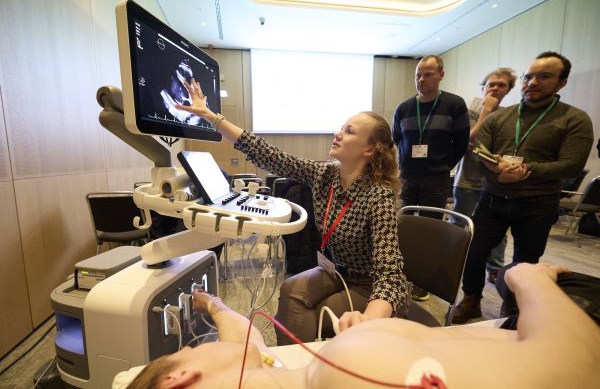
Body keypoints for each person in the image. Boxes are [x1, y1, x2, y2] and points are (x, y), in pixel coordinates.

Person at [175, 79, 409, 344]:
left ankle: (304, 363)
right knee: (290, 289)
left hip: (369, 285)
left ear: (369, 149)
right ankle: (294, 357)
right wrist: (212, 117)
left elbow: (389, 276)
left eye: (349, 131)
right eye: (341, 128)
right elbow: (270, 156)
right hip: (335, 271)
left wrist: (369, 319)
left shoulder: (378, 196)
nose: (338, 134)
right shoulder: (325, 175)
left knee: (309, 313)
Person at [125, 263, 600, 389]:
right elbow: (578, 369)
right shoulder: (349, 369)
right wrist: (527, 280)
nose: (201, 345)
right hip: (573, 325)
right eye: (190, 348)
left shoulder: (276, 374)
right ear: (179, 379)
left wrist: (213, 305)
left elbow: (240, 336)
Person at [453, 51, 594, 324]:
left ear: (562, 82)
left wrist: (525, 170)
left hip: (537, 203)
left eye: (544, 77)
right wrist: (497, 173)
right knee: (473, 252)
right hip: (492, 199)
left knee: (526, 262)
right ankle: (471, 300)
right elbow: (479, 153)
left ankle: (513, 309)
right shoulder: (500, 118)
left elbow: (571, 165)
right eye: (528, 77)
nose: (532, 82)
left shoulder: (574, 119)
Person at [392, 55, 470, 301]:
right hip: (407, 176)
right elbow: (397, 139)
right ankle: (400, 271)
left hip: (436, 178)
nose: (421, 79)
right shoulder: (404, 108)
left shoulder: (454, 105)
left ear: (441, 75)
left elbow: (461, 143)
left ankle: (422, 280)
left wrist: (442, 165)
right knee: (402, 223)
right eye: (418, 75)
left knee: (430, 227)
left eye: (428, 74)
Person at [452, 68, 517, 285]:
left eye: (501, 85)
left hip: (497, 183)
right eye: (491, 84)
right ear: (483, 88)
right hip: (468, 180)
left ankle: (495, 268)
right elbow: (469, 142)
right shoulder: (469, 112)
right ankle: (450, 259)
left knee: (498, 227)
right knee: (459, 223)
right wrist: (486, 111)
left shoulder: (509, 115)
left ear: (508, 90)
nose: (495, 88)